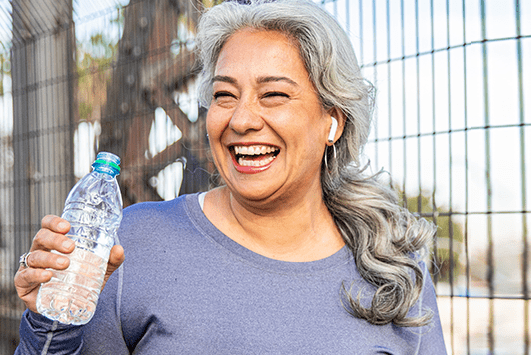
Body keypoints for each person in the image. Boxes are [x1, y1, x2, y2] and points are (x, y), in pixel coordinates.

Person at [14, 0, 447, 353]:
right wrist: (49, 320)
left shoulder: (396, 271)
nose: (240, 119)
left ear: (333, 121)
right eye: (224, 95)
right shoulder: (132, 244)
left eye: (274, 94)